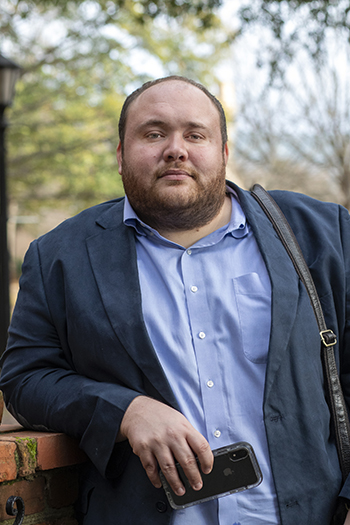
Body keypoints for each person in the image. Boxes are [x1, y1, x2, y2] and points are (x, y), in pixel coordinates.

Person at [1, 75, 350, 525]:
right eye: (153, 133)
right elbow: (26, 378)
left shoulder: (325, 235)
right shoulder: (61, 256)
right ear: (121, 157)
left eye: (195, 134)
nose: (176, 149)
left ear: (224, 153)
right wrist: (124, 410)